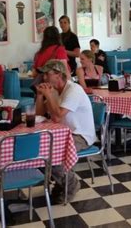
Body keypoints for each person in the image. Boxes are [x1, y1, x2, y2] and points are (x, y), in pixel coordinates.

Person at [35, 60, 95, 204]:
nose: (44, 78)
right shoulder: (56, 91)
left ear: (58, 75)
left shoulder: (73, 90)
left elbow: (57, 116)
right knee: (37, 152)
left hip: (80, 135)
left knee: (52, 154)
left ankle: (71, 184)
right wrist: (39, 95)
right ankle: (62, 182)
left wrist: (49, 96)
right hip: (62, 134)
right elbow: (40, 115)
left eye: (47, 74)